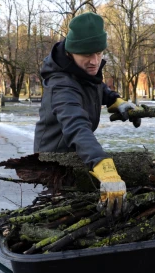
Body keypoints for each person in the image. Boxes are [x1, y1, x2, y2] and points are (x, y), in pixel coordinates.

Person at [34, 12, 141, 215]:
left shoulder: (81, 71)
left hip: (77, 155)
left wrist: (115, 101)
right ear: (70, 53)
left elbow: (96, 87)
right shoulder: (61, 85)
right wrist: (104, 167)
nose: (95, 61)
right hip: (55, 162)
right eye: (87, 56)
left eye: (99, 53)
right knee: (62, 215)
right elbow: (76, 126)